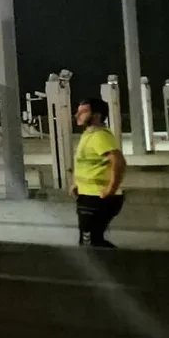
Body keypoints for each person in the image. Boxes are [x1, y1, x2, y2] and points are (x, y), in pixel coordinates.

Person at [70, 97, 127, 247]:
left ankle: (116, 260)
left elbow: (118, 162)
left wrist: (111, 189)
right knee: (93, 240)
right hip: (88, 195)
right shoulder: (88, 134)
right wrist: (77, 184)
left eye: (83, 112)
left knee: (89, 243)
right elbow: (87, 164)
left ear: (96, 115)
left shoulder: (100, 135)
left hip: (97, 197)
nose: (77, 115)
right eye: (78, 111)